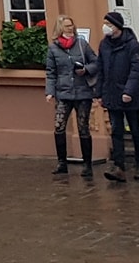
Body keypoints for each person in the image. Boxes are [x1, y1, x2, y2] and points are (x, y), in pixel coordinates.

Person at [44, 15, 98, 179]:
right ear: (60, 28)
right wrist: (49, 91)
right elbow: (51, 72)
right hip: (63, 92)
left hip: (83, 92)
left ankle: (87, 164)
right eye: (67, 26)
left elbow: (96, 62)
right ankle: (62, 163)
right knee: (59, 126)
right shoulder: (53, 48)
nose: (70, 28)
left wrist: (86, 70)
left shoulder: (82, 44)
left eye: (71, 25)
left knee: (83, 127)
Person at [99, 11, 139, 183]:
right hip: (111, 94)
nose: (105, 27)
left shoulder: (132, 45)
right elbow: (100, 69)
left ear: (117, 26)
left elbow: (136, 70)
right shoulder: (104, 45)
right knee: (116, 131)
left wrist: (128, 91)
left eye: (109, 24)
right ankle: (119, 166)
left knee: (135, 130)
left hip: (129, 96)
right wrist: (99, 93)